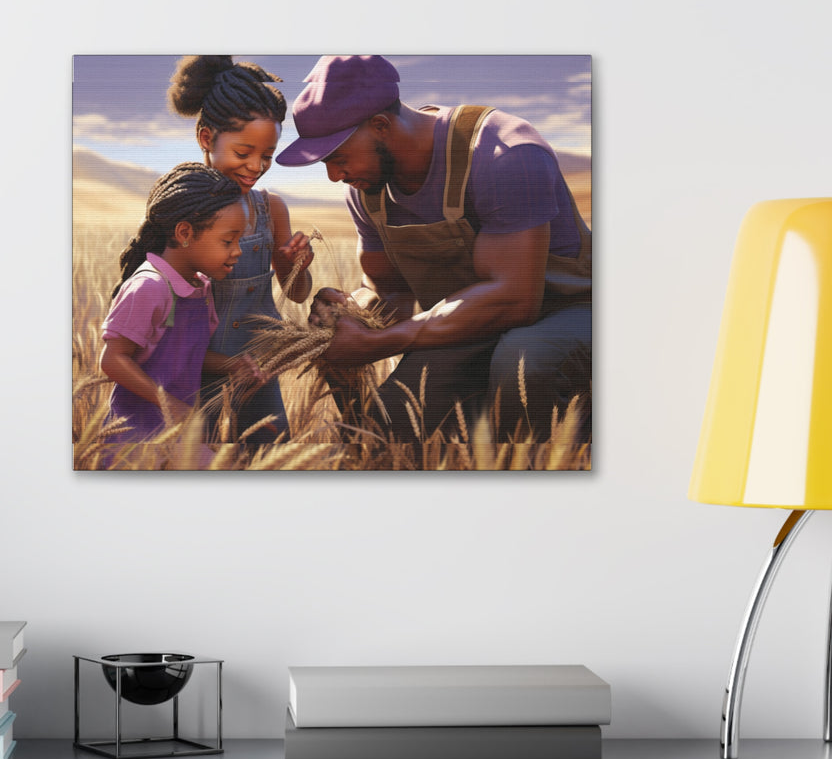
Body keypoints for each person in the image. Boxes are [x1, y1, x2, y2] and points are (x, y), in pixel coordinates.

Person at [275, 55, 592, 442]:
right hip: (470, 326)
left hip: (567, 312)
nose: (334, 175)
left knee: (524, 363)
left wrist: (375, 344)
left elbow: (515, 301)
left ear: (380, 126)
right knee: (387, 428)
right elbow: (386, 291)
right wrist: (347, 316)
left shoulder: (505, 155)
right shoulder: (366, 190)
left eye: (338, 158)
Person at [168, 56, 314, 443]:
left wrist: (293, 265)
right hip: (197, 372)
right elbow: (164, 318)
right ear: (205, 138)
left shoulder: (271, 208)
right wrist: (226, 365)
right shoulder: (182, 212)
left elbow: (297, 294)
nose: (256, 166)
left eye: (266, 156)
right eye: (243, 152)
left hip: (259, 373)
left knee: (270, 451)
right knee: (199, 456)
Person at [99, 163, 252, 468]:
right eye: (227, 241)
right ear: (185, 233)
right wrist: (172, 406)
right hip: (134, 440)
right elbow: (112, 359)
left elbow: (186, 353)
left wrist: (233, 366)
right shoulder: (149, 286)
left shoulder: (200, 286)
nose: (238, 251)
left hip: (178, 435)